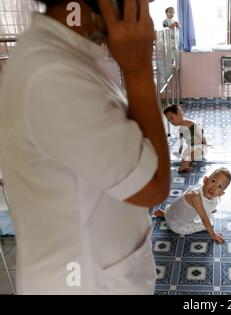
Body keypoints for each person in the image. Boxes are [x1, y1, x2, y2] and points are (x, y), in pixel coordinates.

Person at [0, 0, 170, 294]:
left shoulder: (66, 58)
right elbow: (153, 185)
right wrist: (139, 68)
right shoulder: (51, 74)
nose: (145, 15)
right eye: (140, 3)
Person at [154, 168, 231, 244]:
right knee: (209, 222)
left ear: (221, 194)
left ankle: (165, 214)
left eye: (220, 187)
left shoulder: (202, 190)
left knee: (208, 205)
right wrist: (213, 234)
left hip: (170, 213)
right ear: (205, 180)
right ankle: (167, 217)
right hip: (177, 225)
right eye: (213, 181)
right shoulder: (195, 196)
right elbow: (204, 219)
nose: (214, 187)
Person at [164, 104, 207, 173]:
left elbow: (201, 133)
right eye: (169, 120)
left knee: (194, 153)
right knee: (184, 157)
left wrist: (203, 141)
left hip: (199, 146)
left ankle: (185, 165)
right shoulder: (181, 129)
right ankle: (184, 166)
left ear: (180, 114)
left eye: (172, 118)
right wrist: (180, 149)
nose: (171, 122)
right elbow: (181, 139)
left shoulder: (191, 124)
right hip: (191, 147)